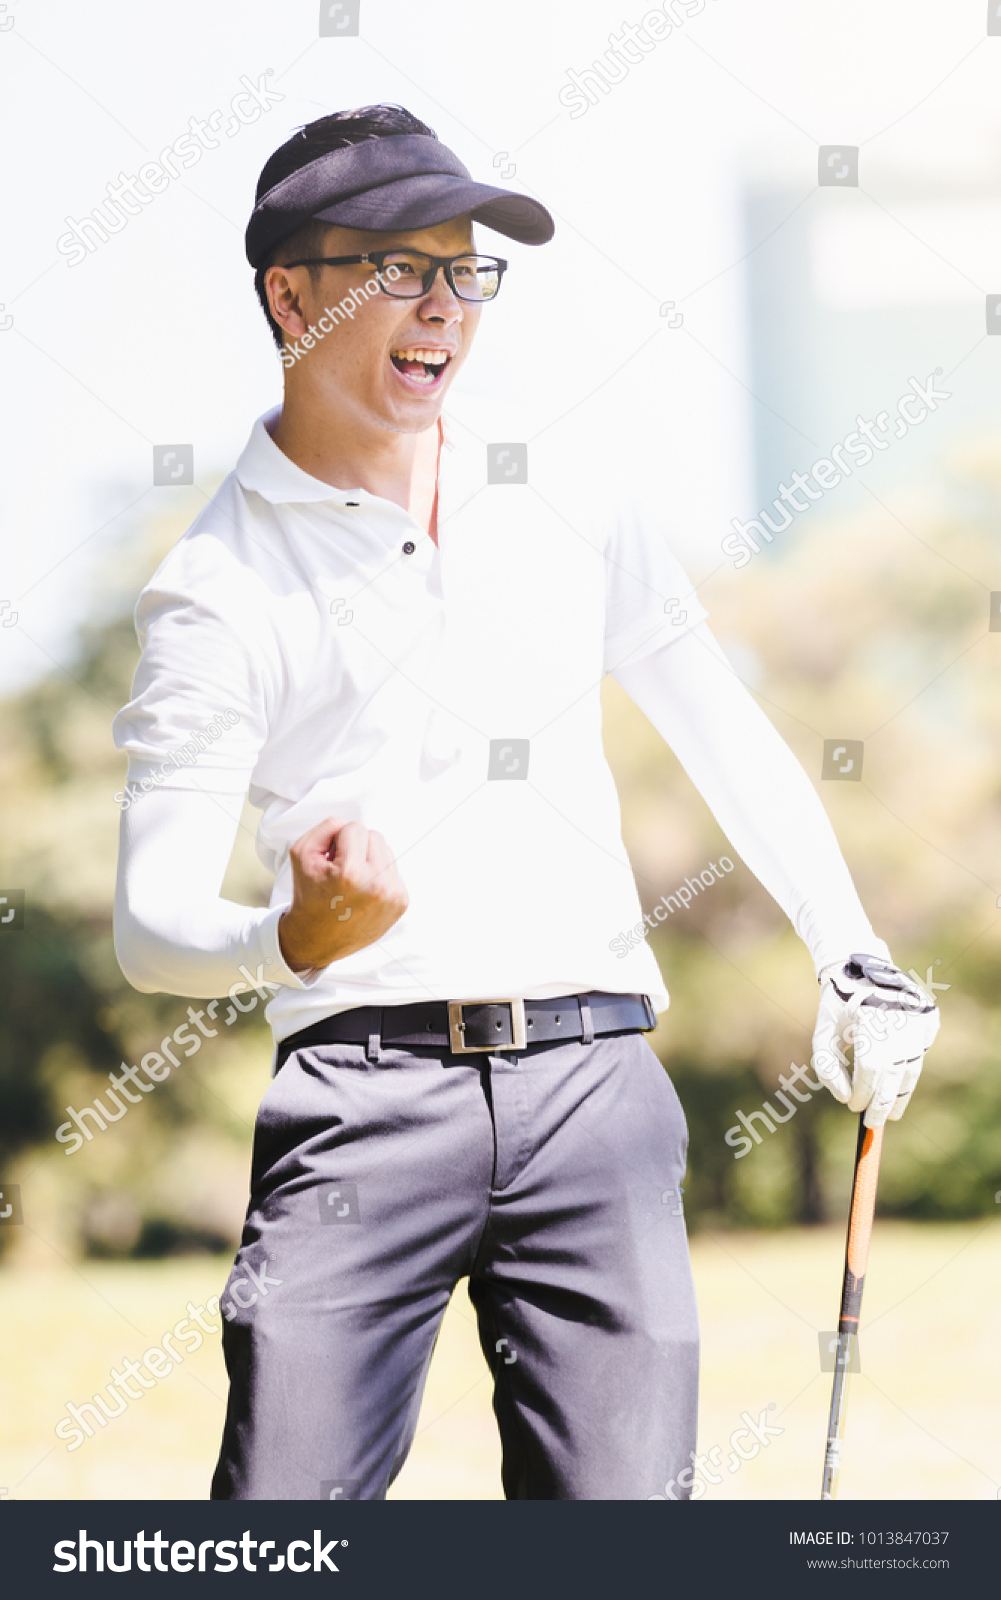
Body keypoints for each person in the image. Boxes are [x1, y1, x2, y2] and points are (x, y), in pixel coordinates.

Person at [112, 104, 939, 1501]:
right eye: (399, 269)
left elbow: (717, 721)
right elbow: (148, 924)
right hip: (359, 1100)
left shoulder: (564, 483)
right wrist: (290, 935)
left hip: (593, 1089)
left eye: (465, 270)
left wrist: (845, 942)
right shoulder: (217, 586)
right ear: (289, 293)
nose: (444, 306)